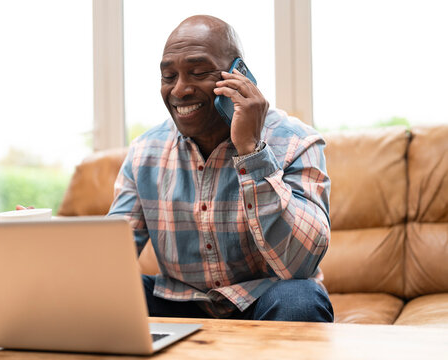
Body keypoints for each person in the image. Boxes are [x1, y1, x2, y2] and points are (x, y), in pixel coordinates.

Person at [108, 15, 333, 322]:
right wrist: (45, 249)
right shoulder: (144, 153)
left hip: (263, 300)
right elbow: (110, 257)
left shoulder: (296, 142)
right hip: (180, 302)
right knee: (109, 292)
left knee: (300, 298)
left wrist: (252, 152)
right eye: (169, 76)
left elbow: (300, 265)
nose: (180, 90)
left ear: (239, 76)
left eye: (198, 72)